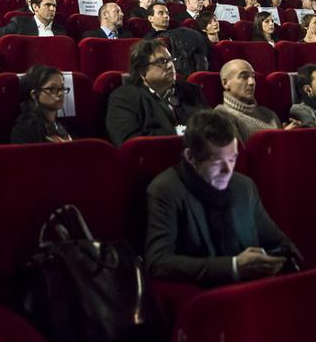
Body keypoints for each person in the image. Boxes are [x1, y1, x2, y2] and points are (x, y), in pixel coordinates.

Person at [145, 109, 300, 286]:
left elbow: (276, 240)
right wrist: (232, 267)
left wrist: (281, 256)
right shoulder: (165, 190)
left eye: (233, 159)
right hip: (203, 296)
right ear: (190, 157)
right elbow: (158, 262)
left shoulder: (244, 186)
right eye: (218, 162)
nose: (228, 170)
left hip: (251, 290)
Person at [105, 39, 207, 146]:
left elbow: (210, 127)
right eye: (162, 62)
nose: (170, 66)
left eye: (170, 60)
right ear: (142, 72)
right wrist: (180, 135)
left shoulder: (191, 90)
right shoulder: (124, 98)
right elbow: (130, 143)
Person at [214, 59, 298, 142]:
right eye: (244, 77)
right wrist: (282, 136)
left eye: (253, 77)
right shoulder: (221, 117)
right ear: (225, 83)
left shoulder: (269, 114)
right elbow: (239, 154)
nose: (252, 82)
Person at [10, 65, 72, 144]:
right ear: (34, 94)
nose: (60, 93)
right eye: (52, 89)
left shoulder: (61, 125)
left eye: (62, 87)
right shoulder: (23, 131)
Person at [0, 0, 66, 37]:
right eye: (47, 5)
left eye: (54, 6)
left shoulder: (60, 30)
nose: (52, 9)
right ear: (35, 7)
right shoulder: (19, 24)